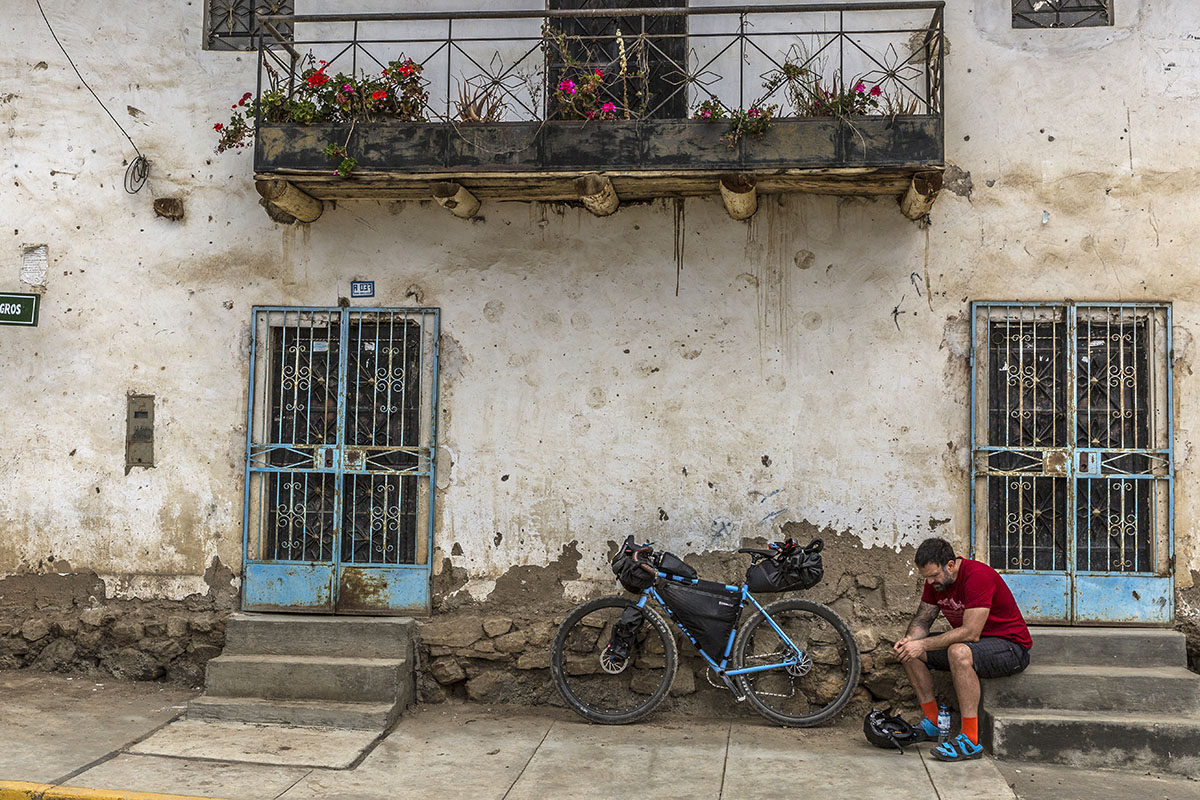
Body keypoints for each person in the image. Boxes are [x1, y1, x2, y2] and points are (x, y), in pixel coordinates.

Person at [892, 537, 1032, 762]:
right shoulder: (935, 584)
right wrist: (910, 641)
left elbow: (970, 633)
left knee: (958, 651)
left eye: (934, 575)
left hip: (1010, 647)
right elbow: (922, 621)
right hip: (975, 646)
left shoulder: (977, 576)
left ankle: (970, 739)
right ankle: (934, 722)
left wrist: (923, 644)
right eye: (926, 577)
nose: (930, 582)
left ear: (950, 564)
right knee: (910, 652)